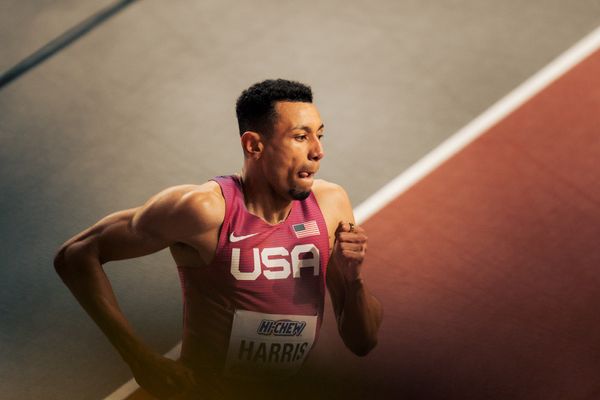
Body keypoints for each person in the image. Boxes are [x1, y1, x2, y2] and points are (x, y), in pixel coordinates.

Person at [54, 79, 383, 399]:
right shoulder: (204, 210)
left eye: (319, 135)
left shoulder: (330, 204)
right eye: (300, 137)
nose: (318, 151)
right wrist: (139, 358)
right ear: (254, 145)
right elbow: (77, 254)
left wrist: (353, 279)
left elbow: (362, 342)